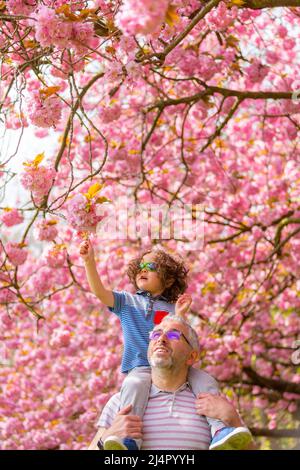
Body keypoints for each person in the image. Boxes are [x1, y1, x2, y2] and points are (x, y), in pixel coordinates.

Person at [80, 242, 252, 450]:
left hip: (179, 370)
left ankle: (220, 431)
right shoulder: (127, 302)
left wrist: (232, 419)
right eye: (141, 267)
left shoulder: (171, 309)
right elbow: (100, 292)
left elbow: (176, 331)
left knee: (206, 380)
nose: (144, 270)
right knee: (135, 384)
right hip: (141, 367)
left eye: (152, 268)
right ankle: (129, 439)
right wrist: (89, 262)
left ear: (168, 279)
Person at [88, 315, 253, 450]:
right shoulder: (121, 402)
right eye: (156, 334)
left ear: (192, 357)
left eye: (174, 335)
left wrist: (233, 419)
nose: (162, 339)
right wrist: (107, 438)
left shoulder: (214, 404)